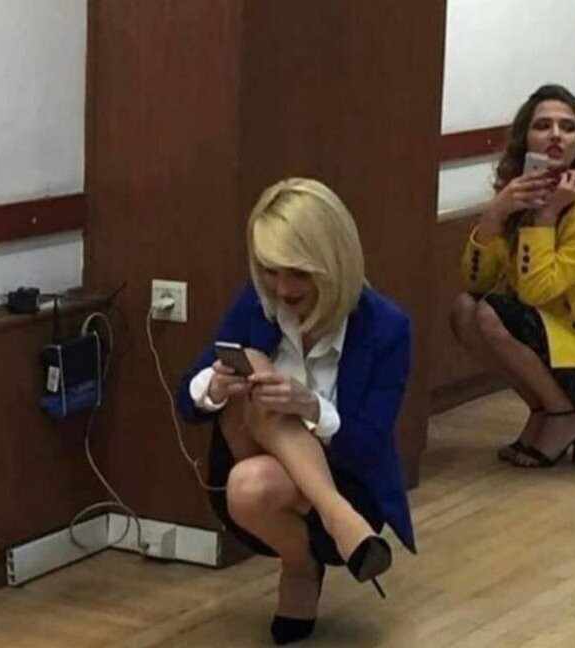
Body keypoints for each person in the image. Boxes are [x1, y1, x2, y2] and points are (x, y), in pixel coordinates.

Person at [177, 178, 415, 645]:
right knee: (253, 369)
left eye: (300, 273)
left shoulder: (386, 327)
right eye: (270, 270)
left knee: (252, 481)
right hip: (256, 469)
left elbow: (368, 444)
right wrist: (216, 386)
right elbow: (187, 402)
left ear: (334, 262)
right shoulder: (255, 304)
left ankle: (313, 548)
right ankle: (334, 524)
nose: (282, 288)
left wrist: (310, 406)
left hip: (347, 477)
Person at [450, 84, 575, 468]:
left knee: (490, 313)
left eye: (568, 128)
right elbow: (475, 282)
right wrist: (494, 216)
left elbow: (538, 291)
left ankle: (564, 415)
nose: (556, 135)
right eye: (543, 126)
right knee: (465, 310)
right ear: (525, 139)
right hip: (549, 335)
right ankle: (545, 410)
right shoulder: (516, 193)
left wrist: (547, 216)